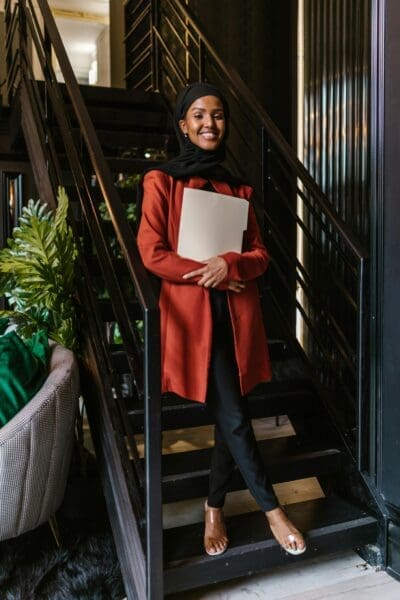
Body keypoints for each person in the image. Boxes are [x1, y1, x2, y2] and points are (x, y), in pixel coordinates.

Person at [137, 82, 306, 557]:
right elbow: (152, 253)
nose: (209, 123)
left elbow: (260, 255)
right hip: (194, 322)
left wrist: (228, 264)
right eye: (198, 115)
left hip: (235, 317)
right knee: (234, 417)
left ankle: (213, 505)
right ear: (183, 125)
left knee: (228, 417)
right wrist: (204, 272)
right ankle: (273, 509)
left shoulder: (238, 187)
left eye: (218, 115)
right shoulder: (161, 181)